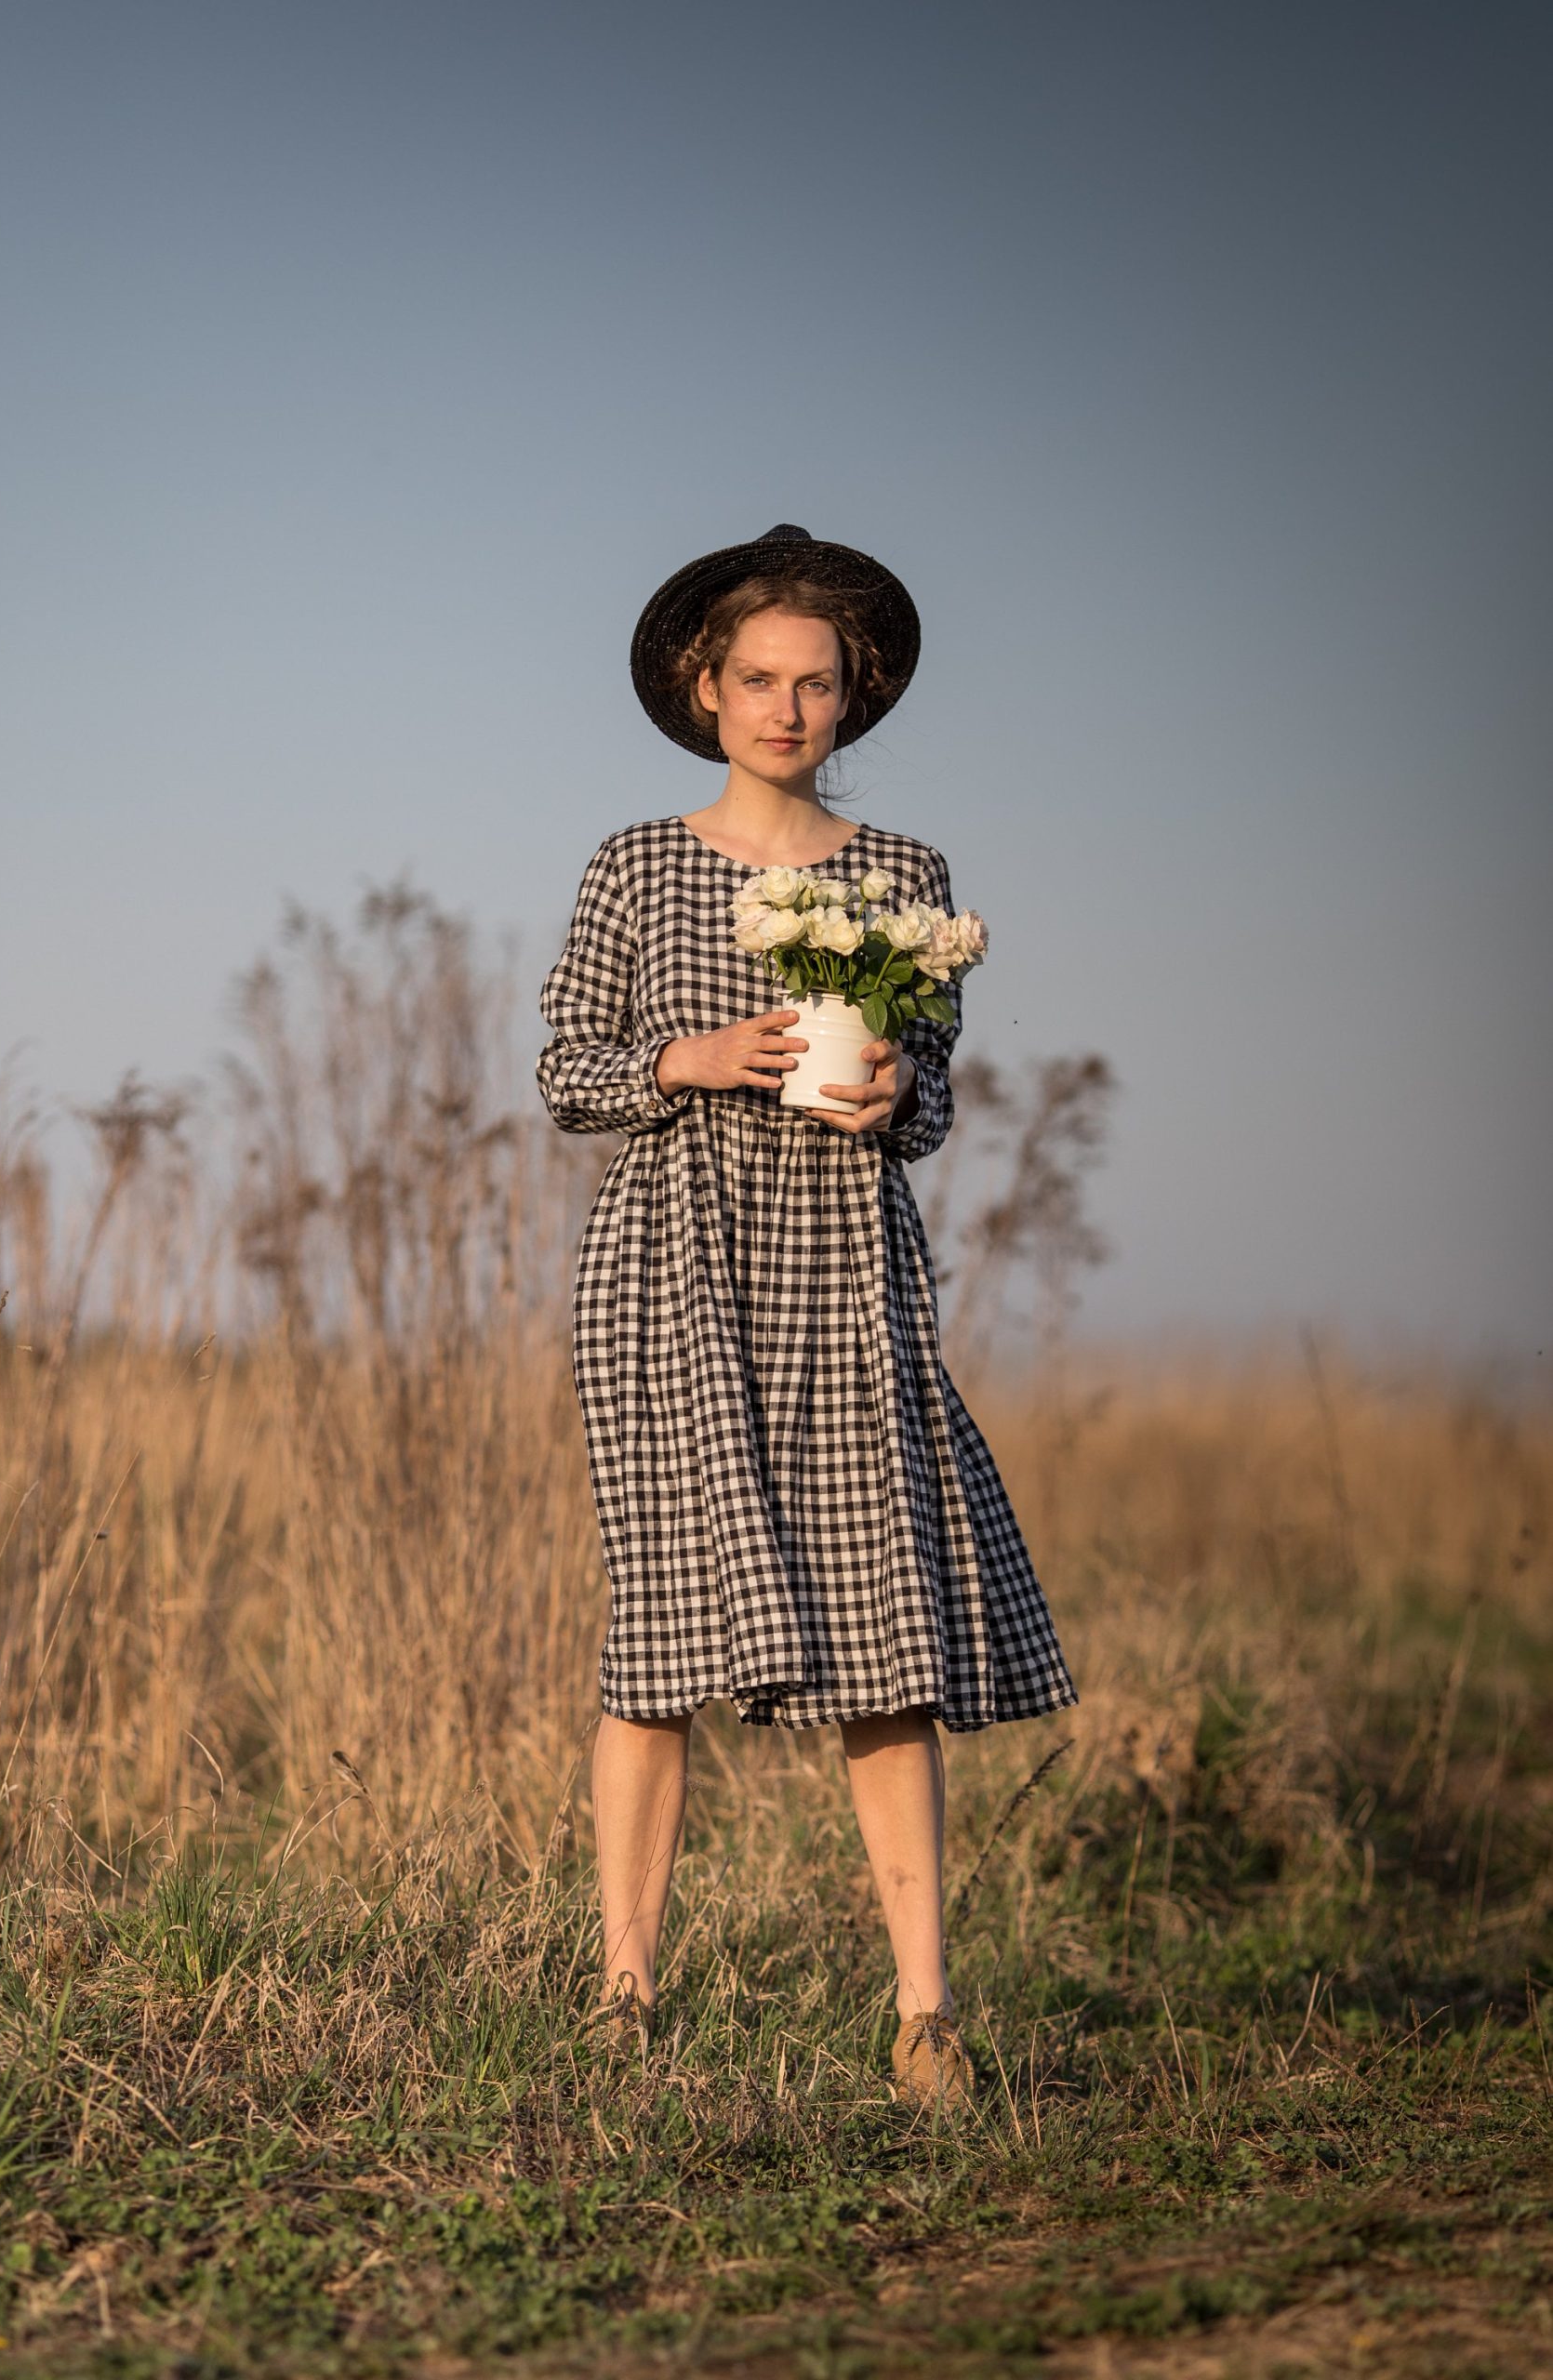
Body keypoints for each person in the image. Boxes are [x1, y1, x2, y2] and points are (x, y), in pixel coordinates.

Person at [536, 524, 1077, 2109]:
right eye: (757, 680)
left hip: (843, 1274)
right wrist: (681, 1060)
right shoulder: (634, 864)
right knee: (654, 1646)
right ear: (703, 692)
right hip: (665, 1277)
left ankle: (925, 2018)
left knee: (887, 1635)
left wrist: (901, 1088)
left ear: (854, 700)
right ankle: (623, 1997)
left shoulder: (905, 877)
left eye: (814, 684)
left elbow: (932, 1111)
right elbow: (568, 1069)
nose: (785, 709)